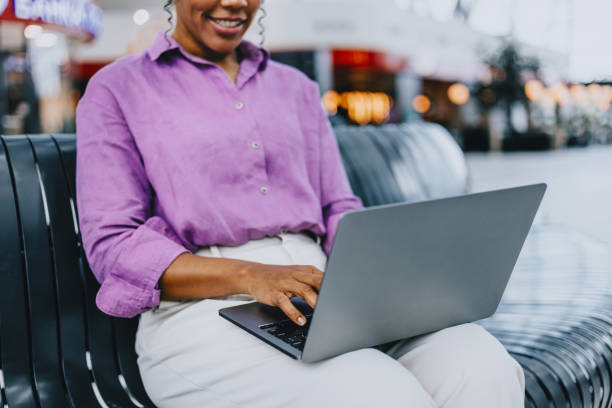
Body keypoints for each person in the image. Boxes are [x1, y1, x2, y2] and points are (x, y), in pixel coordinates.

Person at [75, 0, 525, 406]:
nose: (234, 3)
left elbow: (338, 206)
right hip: (201, 309)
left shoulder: (295, 88)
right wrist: (252, 275)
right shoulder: (118, 88)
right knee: (379, 395)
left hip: (325, 290)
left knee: (483, 368)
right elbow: (113, 246)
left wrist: (388, 270)